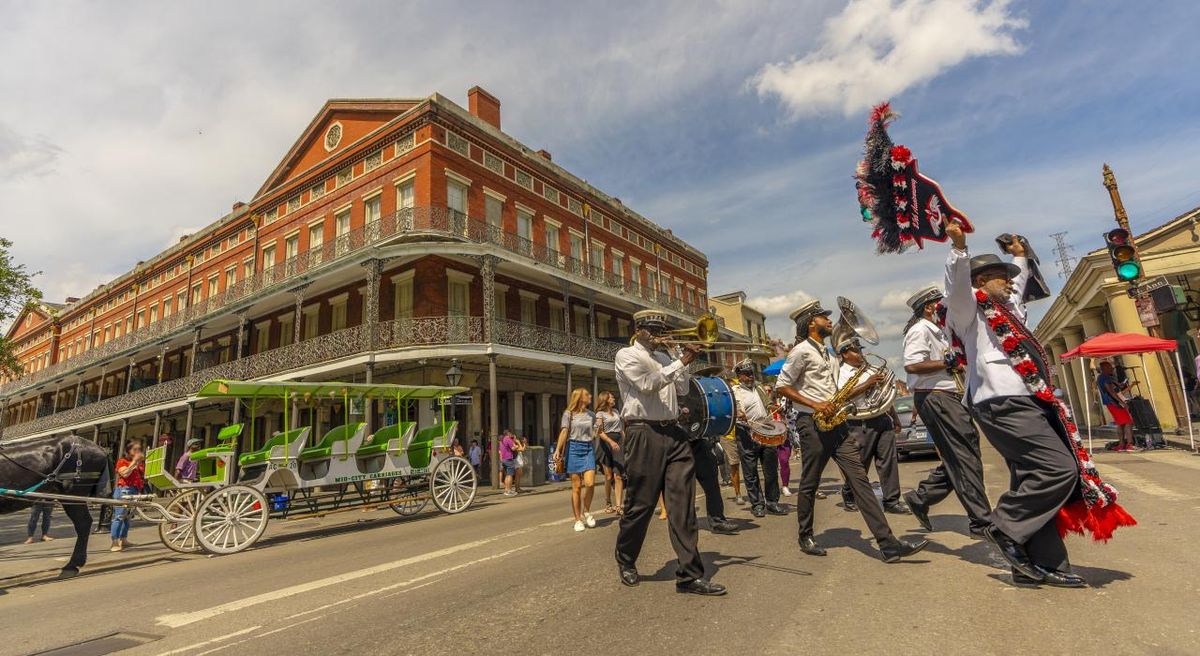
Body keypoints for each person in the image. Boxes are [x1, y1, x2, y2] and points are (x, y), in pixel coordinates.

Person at [943, 222, 1106, 587]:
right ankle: (1004, 526)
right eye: (1001, 277)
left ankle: (1038, 564)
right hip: (1001, 400)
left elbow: (1017, 289)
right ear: (980, 281)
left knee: (1031, 477)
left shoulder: (1009, 311)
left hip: (1028, 398)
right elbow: (956, 288)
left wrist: (1020, 256)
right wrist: (958, 247)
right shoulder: (968, 312)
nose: (1009, 282)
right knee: (1058, 469)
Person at [777, 299, 928, 562]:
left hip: (837, 423)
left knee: (860, 481)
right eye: (824, 317)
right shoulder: (800, 351)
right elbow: (782, 385)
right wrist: (815, 404)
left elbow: (835, 389)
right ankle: (805, 534)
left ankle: (888, 544)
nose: (829, 321)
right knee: (810, 482)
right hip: (812, 422)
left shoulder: (828, 354)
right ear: (811, 323)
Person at [614, 310, 726, 596]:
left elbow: (683, 387)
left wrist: (678, 357)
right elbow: (647, 385)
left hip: (674, 433)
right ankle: (625, 557)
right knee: (641, 505)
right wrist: (682, 360)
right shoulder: (626, 355)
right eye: (651, 329)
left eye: (660, 329)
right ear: (638, 329)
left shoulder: (666, 358)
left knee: (682, 506)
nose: (657, 334)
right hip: (643, 432)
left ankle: (689, 575)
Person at [900, 286, 993, 538]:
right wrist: (948, 363)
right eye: (940, 302)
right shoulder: (920, 330)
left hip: (945, 396)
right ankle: (981, 521)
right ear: (929, 307)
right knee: (964, 456)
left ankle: (922, 498)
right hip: (936, 396)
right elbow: (912, 365)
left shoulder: (937, 331)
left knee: (962, 454)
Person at [835, 339, 909, 515]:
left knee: (888, 461)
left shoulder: (870, 370)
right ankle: (849, 491)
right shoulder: (840, 372)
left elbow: (883, 394)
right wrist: (868, 383)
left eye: (860, 350)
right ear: (845, 354)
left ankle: (891, 501)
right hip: (859, 421)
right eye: (855, 351)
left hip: (882, 419)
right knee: (860, 463)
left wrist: (894, 418)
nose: (860, 354)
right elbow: (842, 396)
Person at [731, 359, 787, 518]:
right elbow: (730, 410)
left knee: (771, 469)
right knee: (750, 471)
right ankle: (757, 504)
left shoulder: (759, 387)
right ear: (739, 376)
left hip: (765, 429)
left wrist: (775, 407)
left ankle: (772, 502)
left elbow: (768, 404)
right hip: (745, 432)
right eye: (746, 374)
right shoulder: (734, 391)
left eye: (751, 373)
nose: (750, 376)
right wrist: (738, 413)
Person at [555, 388, 599, 532]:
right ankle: (578, 519)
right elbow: (564, 432)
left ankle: (586, 511)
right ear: (580, 398)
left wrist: (598, 428)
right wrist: (558, 449)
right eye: (587, 394)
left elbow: (595, 433)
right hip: (573, 448)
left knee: (590, 483)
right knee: (577, 487)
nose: (590, 396)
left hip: (588, 448)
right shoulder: (569, 414)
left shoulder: (592, 415)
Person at [594, 391, 626, 514]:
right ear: (605, 399)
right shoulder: (600, 414)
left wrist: (625, 442)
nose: (613, 399)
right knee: (608, 476)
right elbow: (599, 432)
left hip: (618, 442)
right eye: (611, 397)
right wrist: (610, 442)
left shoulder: (616, 412)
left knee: (618, 475)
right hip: (606, 443)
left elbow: (621, 429)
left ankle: (618, 506)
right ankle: (608, 502)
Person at [111, 439, 146, 552]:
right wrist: (134, 462)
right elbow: (124, 474)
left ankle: (124, 539)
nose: (137, 451)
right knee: (119, 517)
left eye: (139, 449)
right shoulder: (122, 461)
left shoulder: (140, 464)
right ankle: (114, 541)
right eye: (135, 449)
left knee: (127, 517)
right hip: (124, 490)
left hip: (134, 491)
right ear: (128, 450)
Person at [1097, 361, 1135, 452]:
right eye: (1110, 367)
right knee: (1128, 422)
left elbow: (1116, 387)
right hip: (1114, 403)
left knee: (1120, 423)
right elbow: (1112, 392)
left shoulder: (1103, 377)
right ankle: (1129, 444)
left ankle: (1121, 444)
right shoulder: (1105, 378)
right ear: (1104, 368)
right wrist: (1123, 403)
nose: (1112, 368)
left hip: (1111, 403)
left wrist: (1119, 384)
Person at [718, 422, 744, 505]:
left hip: (744, 433)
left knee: (748, 464)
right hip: (728, 436)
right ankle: (738, 494)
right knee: (734, 464)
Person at [498, 430, 519, 496]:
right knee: (510, 475)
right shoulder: (508, 439)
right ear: (508, 433)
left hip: (503, 459)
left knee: (507, 475)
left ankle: (506, 489)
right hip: (508, 458)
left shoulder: (502, 440)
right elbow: (513, 448)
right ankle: (509, 490)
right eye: (511, 433)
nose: (511, 435)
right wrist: (517, 445)